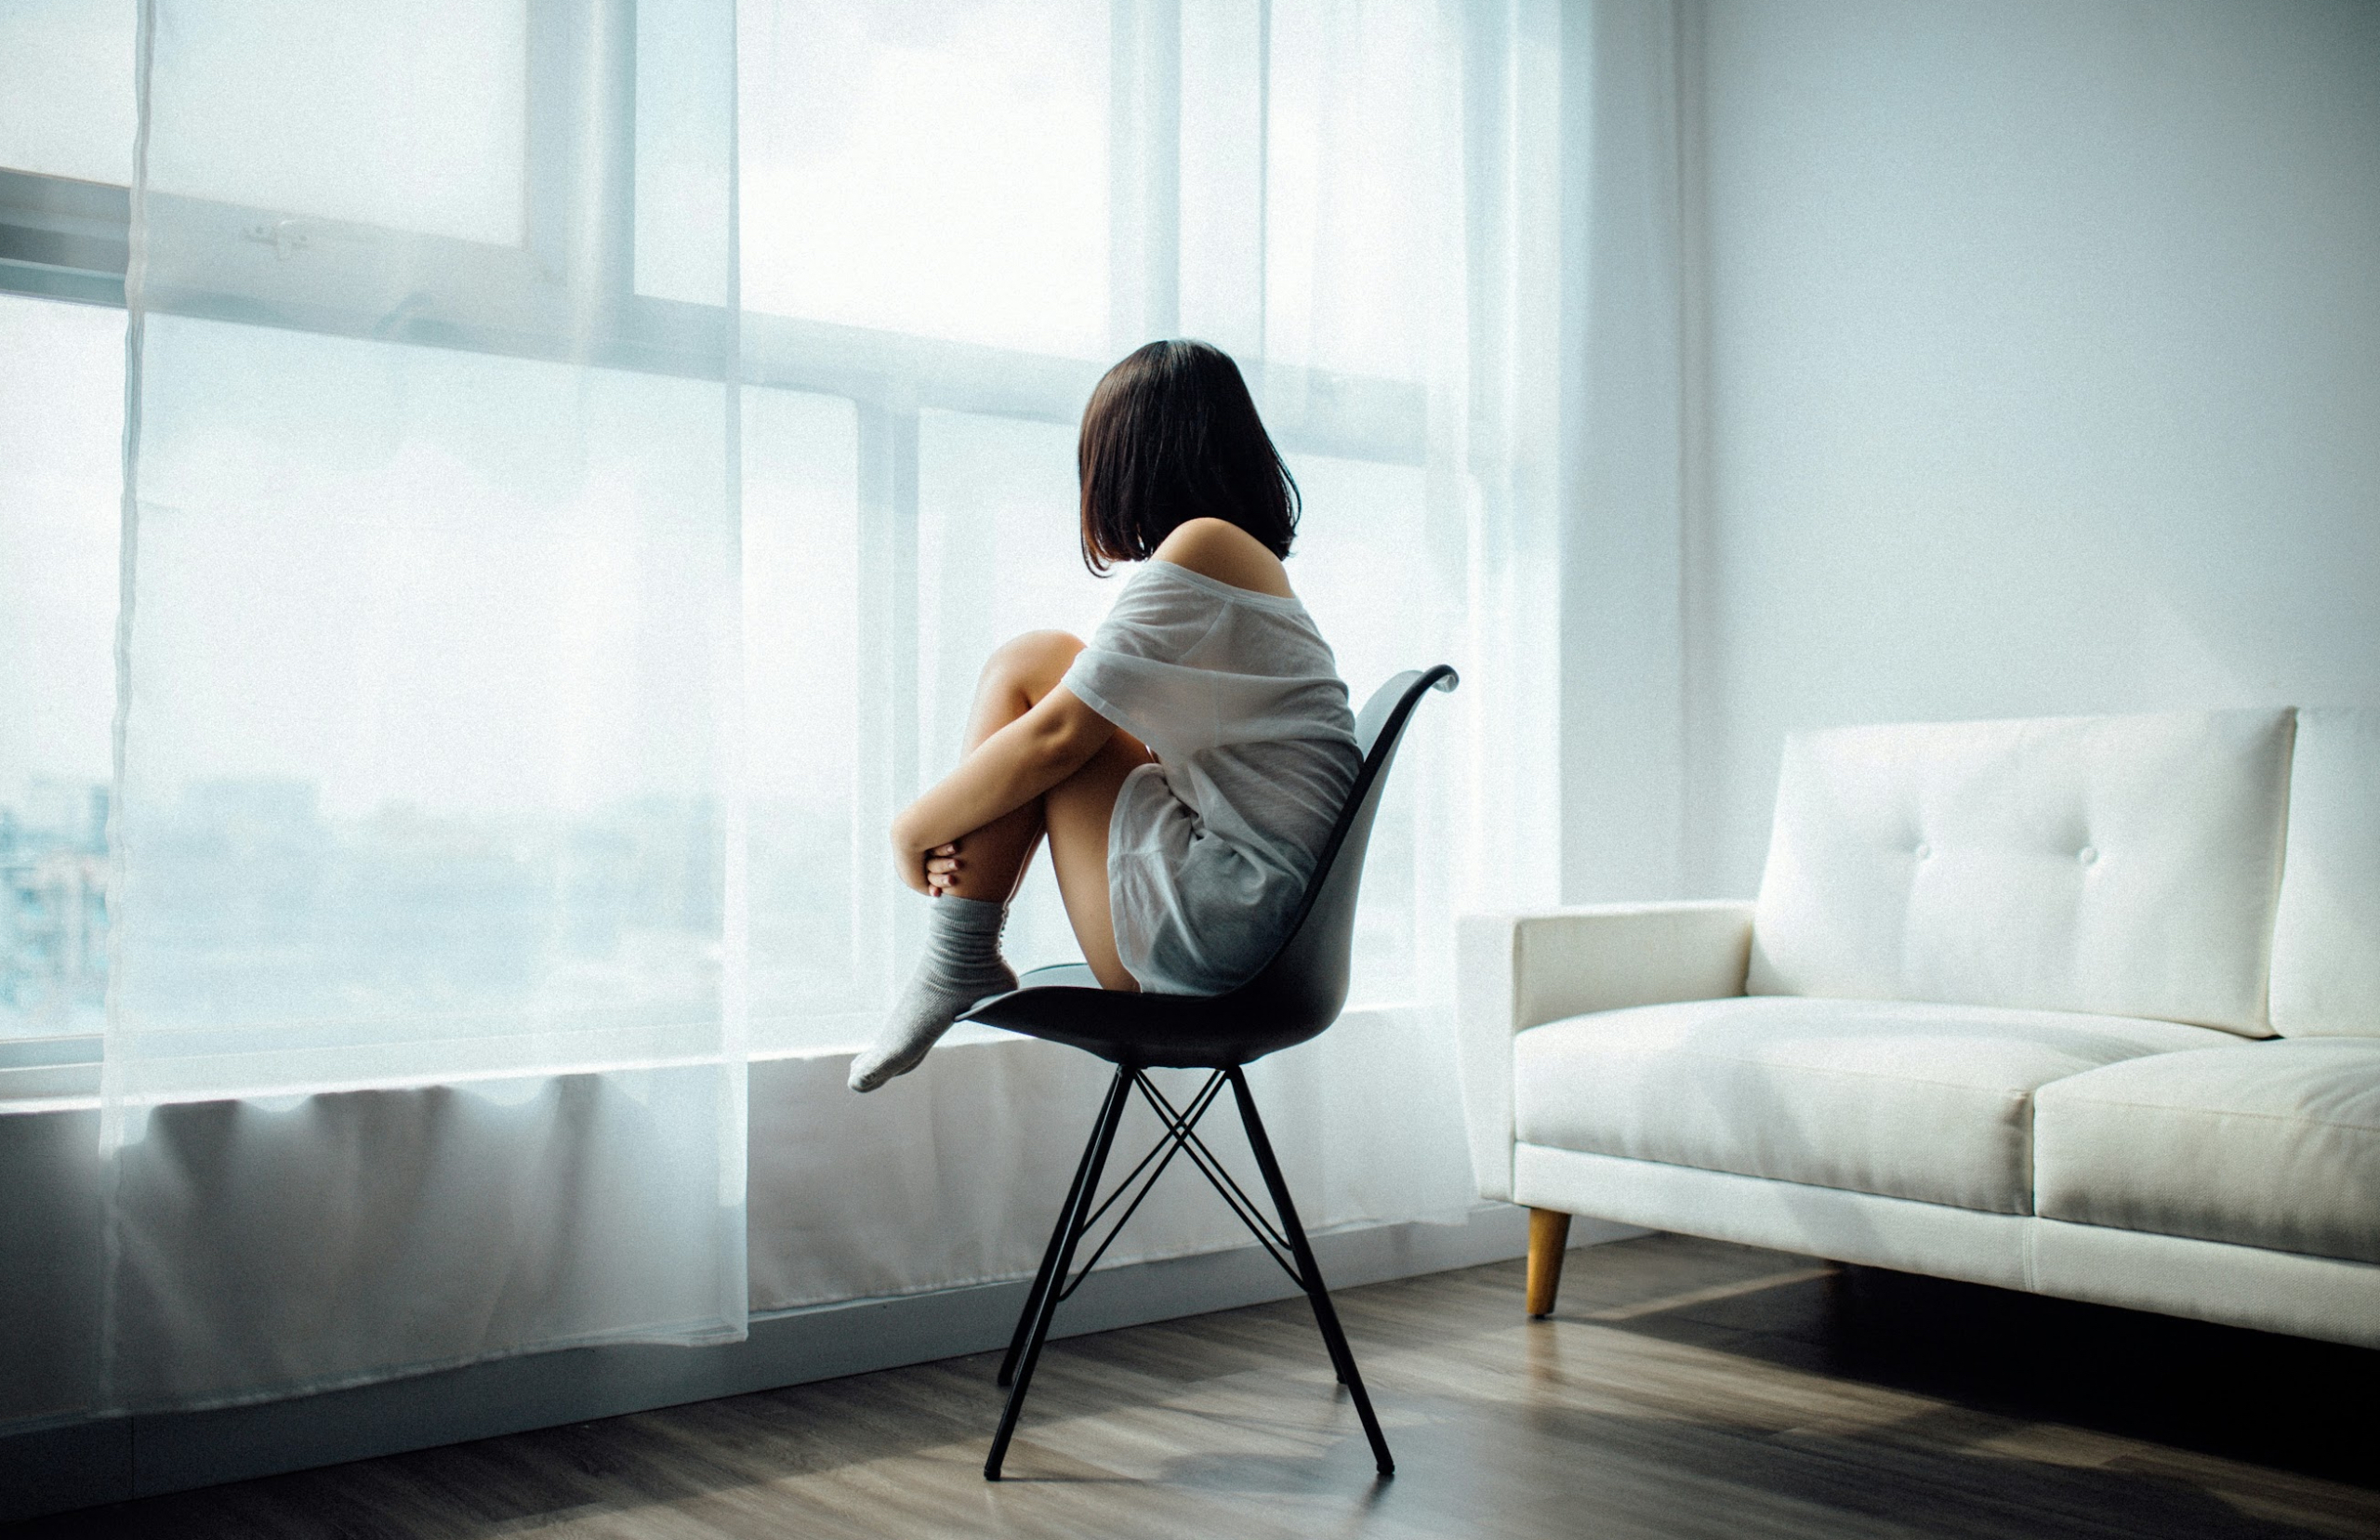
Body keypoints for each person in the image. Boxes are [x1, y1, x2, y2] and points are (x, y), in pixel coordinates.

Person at [848, 339, 1362, 1092]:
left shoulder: (1205, 547)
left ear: (1132, 459)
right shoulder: (1241, 564)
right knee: (1047, 664)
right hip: (1259, 930)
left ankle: (955, 955)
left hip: (1223, 935)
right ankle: (957, 954)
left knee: (1031, 668)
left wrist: (911, 829)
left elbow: (1058, 739)